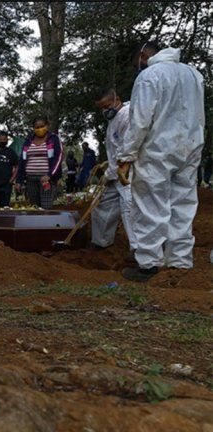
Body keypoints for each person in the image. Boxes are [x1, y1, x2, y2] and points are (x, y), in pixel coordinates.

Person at [117, 42, 205, 281]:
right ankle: (180, 262)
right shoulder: (194, 74)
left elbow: (140, 121)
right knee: (183, 206)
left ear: (144, 56)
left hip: (156, 150)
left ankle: (149, 264)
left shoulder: (149, 76)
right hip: (189, 148)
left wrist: (126, 156)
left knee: (150, 206)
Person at [90, 88, 137, 252]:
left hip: (128, 173)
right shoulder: (113, 121)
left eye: (107, 105)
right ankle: (100, 242)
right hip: (114, 173)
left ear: (117, 99)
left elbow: (127, 149)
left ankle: (138, 250)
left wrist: (109, 173)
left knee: (129, 209)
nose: (105, 110)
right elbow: (114, 150)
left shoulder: (128, 116)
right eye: (101, 108)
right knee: (102, 204)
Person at [15, 116, 64, 209]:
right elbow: (22, 161)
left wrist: (50, 175)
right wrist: (19, 181)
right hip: (30, 180)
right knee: (34, 208)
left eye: (42, 126)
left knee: (46, 207)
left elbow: (59, 158)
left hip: (46, 180)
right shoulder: (28, 141)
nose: (40, 129)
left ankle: (48, 224)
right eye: (37, 127)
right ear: (33, 128)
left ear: (47, 126)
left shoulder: (54, 139)